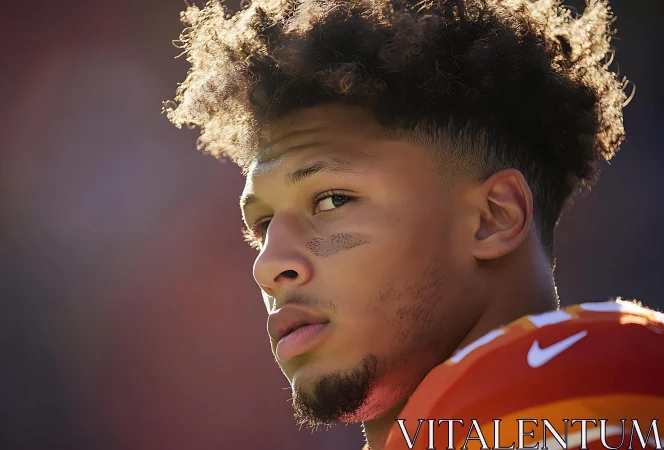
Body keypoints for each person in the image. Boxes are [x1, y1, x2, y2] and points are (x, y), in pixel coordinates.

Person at [164, 1, 663, 449]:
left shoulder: (608, 405)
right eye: (264, 224)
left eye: (332, 200)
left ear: (493, 218)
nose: (269, 266)